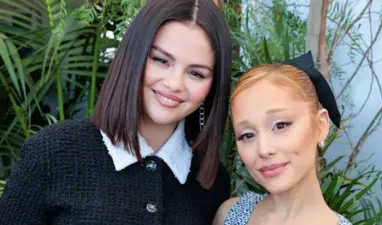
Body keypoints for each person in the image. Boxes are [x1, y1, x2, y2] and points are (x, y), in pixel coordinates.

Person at [0, 0, 232, 224]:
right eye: (161, 60)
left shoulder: (211, 184)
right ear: (133, 55)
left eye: (196, 74)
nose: (174, 84)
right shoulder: (52, 152)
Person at [212, 52, 352, 225]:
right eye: (247, 135)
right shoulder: (229, 215)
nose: (264, 149)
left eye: (281, 125)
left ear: (321, 126)